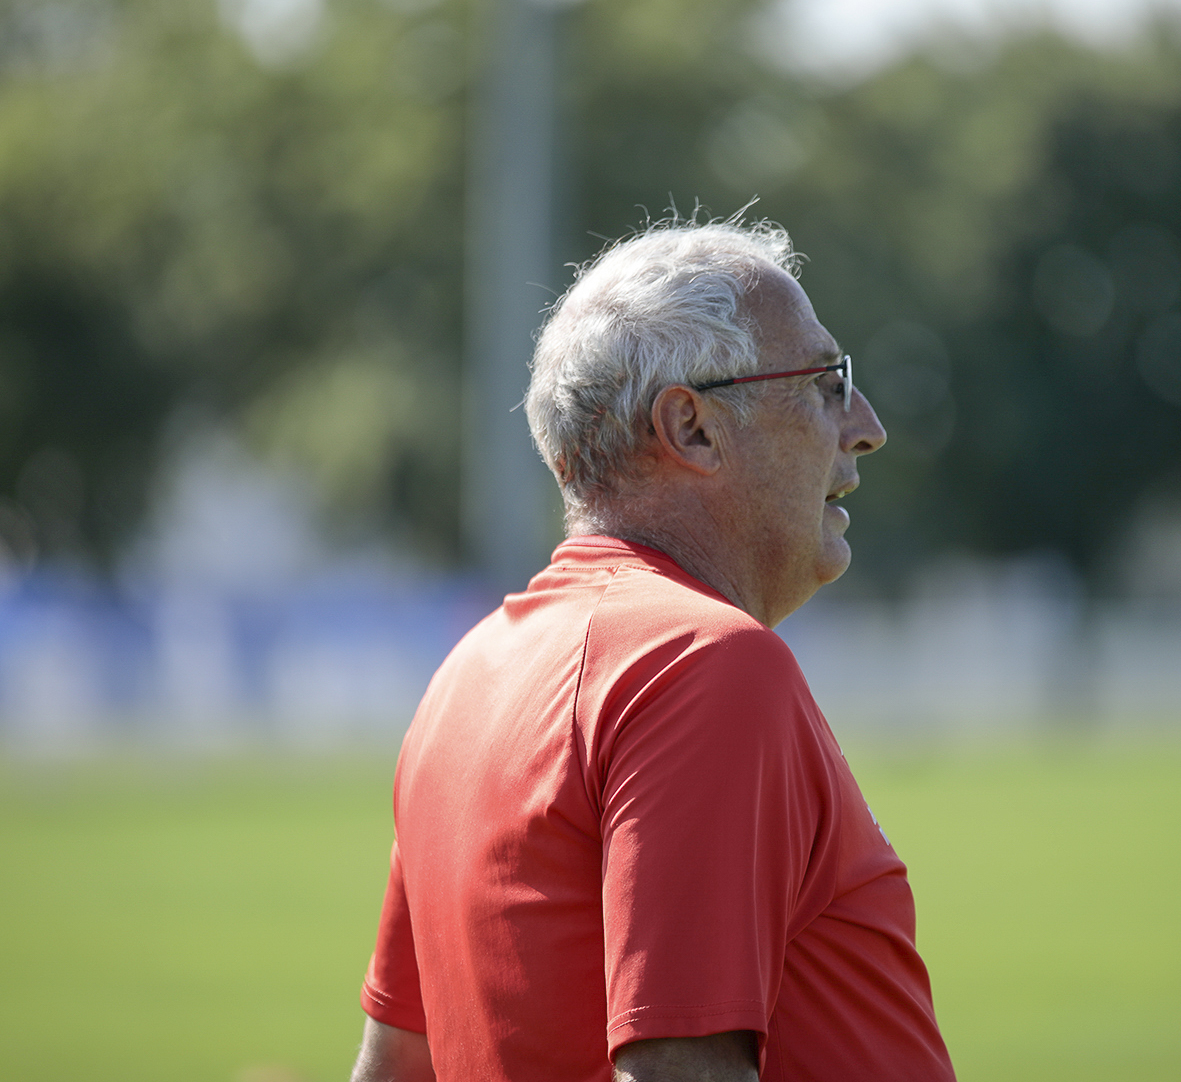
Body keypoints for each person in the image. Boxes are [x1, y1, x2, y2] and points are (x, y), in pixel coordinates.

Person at [351, 219, 956, 1082]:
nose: (866, 426)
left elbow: (392, 1069)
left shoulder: (468, 675)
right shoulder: (702, 663)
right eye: (825, 382)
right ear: (694, 428)